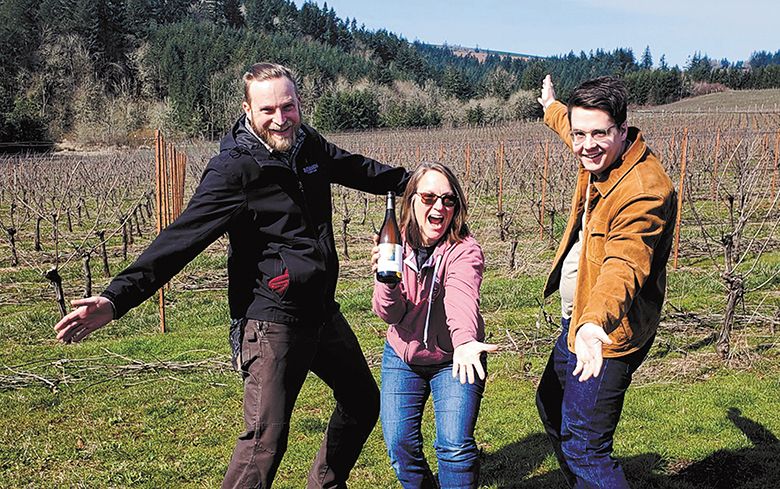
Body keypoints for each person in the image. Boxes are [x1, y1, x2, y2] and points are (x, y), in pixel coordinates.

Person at [54, 62, 408, 489]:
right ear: (247, 110)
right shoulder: (234, 170)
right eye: (268, 110)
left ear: (298, 103)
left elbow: (358, 169)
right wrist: (115, 298)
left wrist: (419, 182)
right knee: (265, 442)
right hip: (271, 320)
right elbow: (179, 240)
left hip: (320, 313)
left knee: (362, 401)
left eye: (288, 106)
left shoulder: (308, 144)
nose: (281, 118)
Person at [535, 75, 676, 488]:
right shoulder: (601, 154)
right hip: (579, 321)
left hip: (607, 333)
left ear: (622, 127)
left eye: (599, 133)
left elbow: (624, 264)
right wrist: (551, 109)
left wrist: (595, 326)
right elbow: (571, 127)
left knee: (585, 446)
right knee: (550, 403)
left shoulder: (643, 190)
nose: (586, 145)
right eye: (580, 134)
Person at [370, 162, 498, 489]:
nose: (438, 207)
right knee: (400, 445)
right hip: (404, 356)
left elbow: (461, 296)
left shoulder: (464, 250)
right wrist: (386, 281)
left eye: (448, 199)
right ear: (411, 201)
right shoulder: (393, 242)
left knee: (454, 447)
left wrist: (466, 341)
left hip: (455, 358)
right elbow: (390, 314)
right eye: (428, 198)